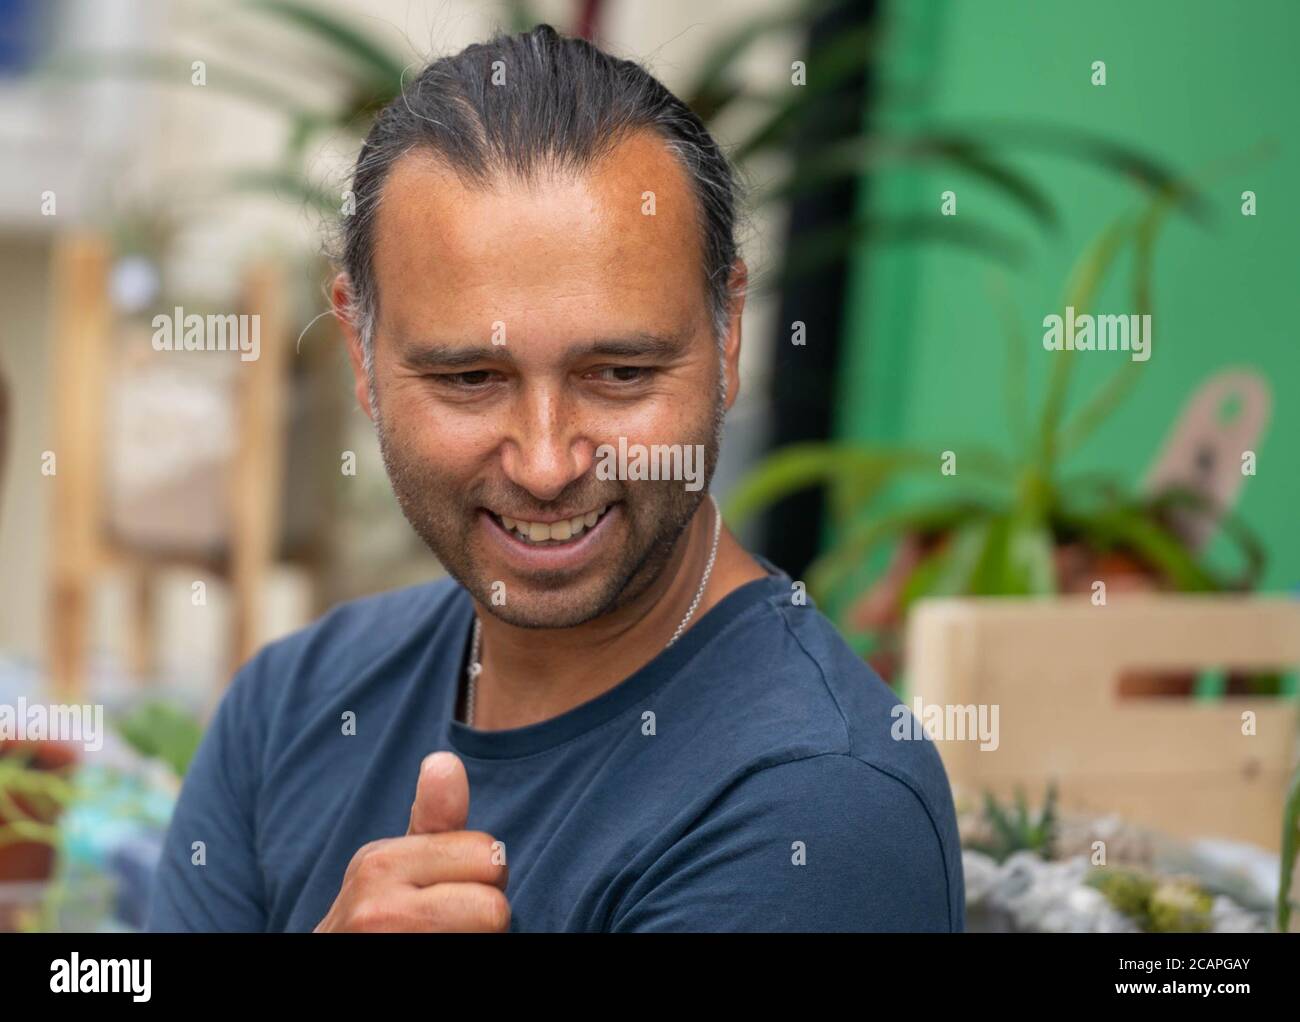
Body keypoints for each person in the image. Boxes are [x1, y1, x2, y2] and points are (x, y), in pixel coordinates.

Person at [146, 23, 964, 933]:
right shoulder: (290, 706)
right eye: (469, 379)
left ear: (727, 333)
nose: (545, 463)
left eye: (619, 374)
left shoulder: (817, 809)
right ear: (360, 353)